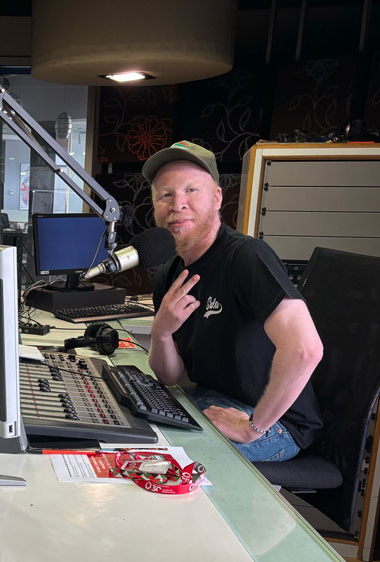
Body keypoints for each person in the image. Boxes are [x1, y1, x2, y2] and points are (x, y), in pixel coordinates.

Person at [144, 141, 324, 462]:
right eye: (165, 195)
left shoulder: (246, 257)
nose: (177, 204)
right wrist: (161, 332)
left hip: (276, 422)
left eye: (191, 190)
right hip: (211, 399)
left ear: (217, 198)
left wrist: (252, 428)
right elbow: (169, 376)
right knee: (133, 429)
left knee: (159, 456)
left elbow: (305, 349)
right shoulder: (169, 274)